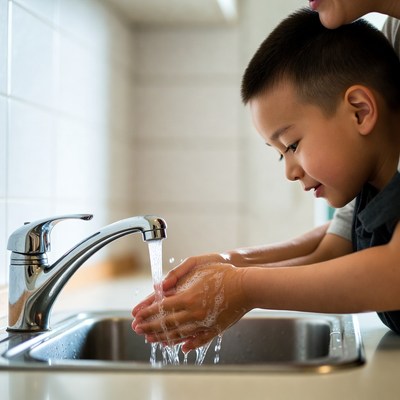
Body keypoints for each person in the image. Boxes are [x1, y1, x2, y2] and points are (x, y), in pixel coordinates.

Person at [132, 7, 400, 353]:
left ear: (361, 111)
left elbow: (393, 272)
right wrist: (231, 266)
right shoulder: (374, 186)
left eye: (292, 145)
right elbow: (334, 250)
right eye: (280, 153)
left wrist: (243, 286)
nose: (289, 171)